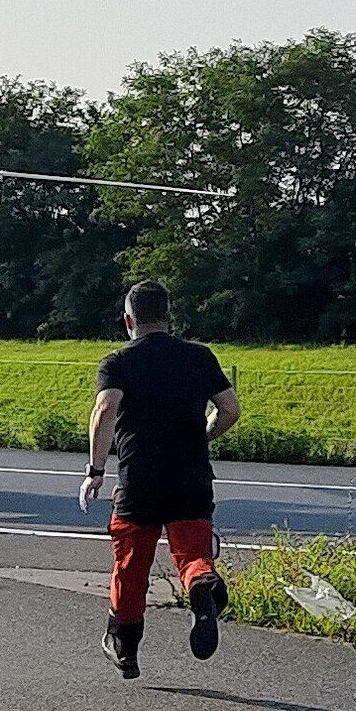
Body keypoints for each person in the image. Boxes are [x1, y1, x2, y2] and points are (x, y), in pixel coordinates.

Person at [79, 280, 240, 679]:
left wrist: (96, 471)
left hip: (139, 480)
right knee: (192, 555)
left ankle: (125, 648)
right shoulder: (200, 357)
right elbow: (230, 409)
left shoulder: (118, 362)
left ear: (129, 320)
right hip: (191, 478)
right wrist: (204, 433)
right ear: (169, 318)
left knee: (131, 567)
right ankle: (202, 586)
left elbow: (105, 410)